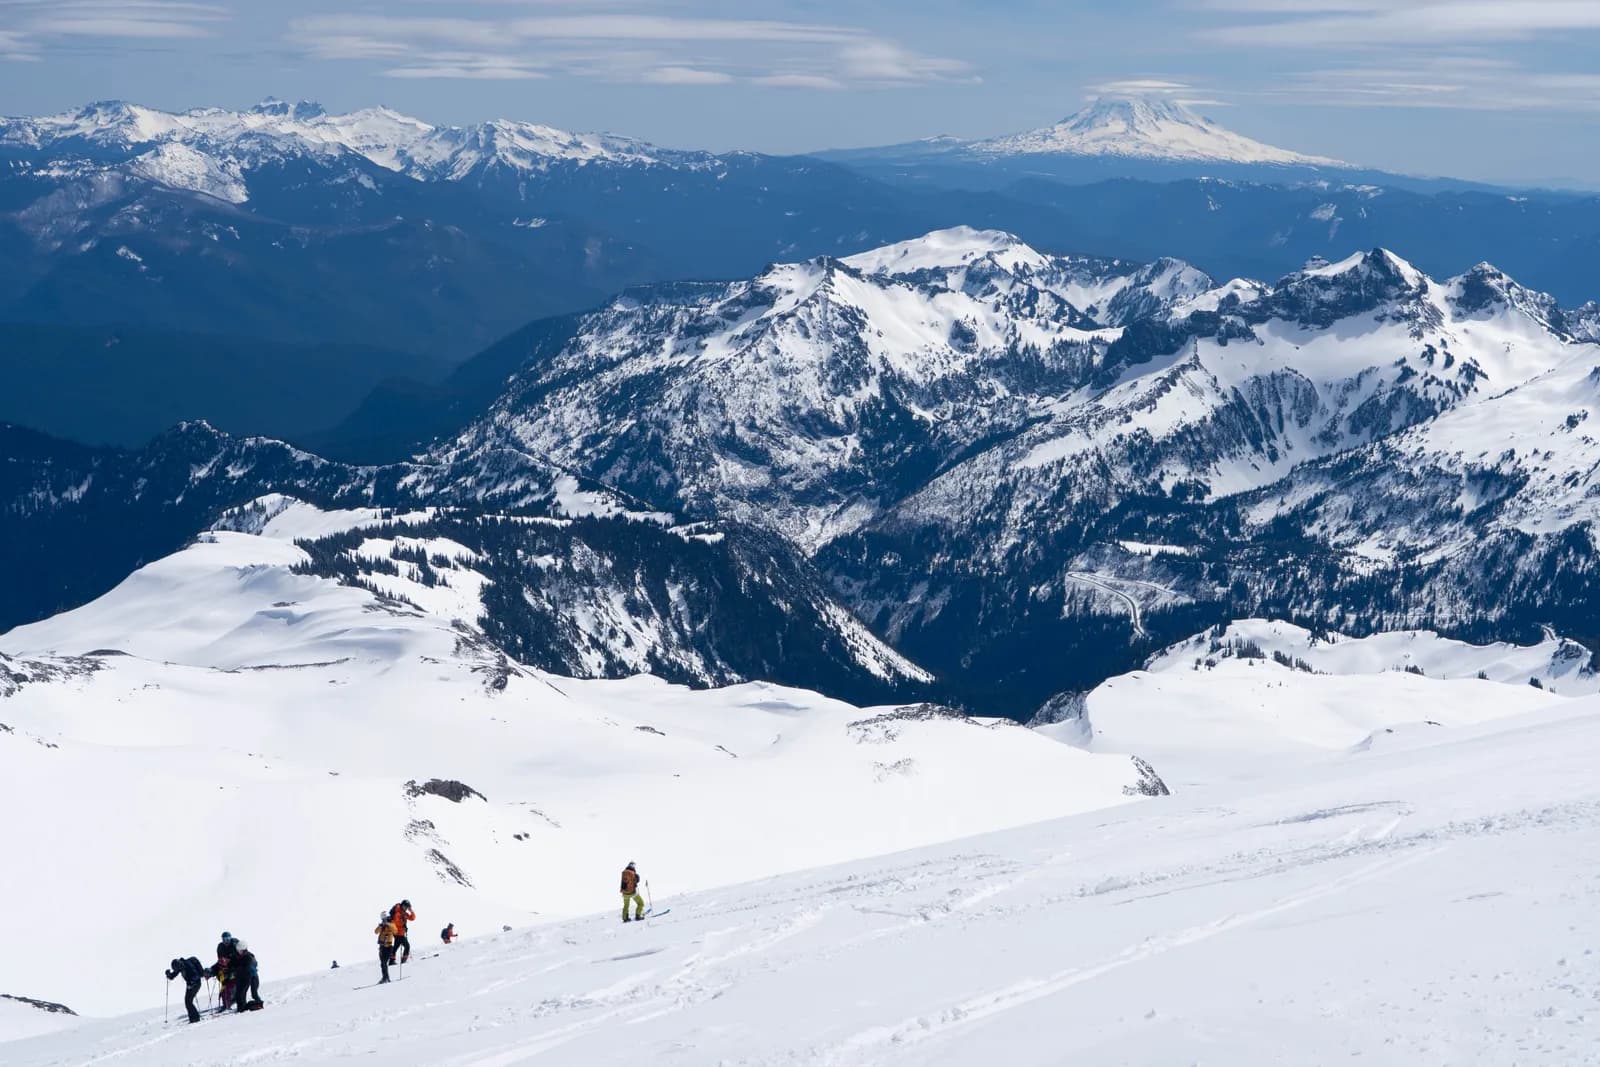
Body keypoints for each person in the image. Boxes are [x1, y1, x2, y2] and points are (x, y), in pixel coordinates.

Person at [165, 955, 207, 1023]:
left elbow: (196, 975)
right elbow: (173, 975)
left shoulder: (188, 965)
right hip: (191, 984)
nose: (179, 969)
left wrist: (192, 983)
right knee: (188, 1001)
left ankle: (195, 1018)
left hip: (196, 984)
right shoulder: (180, 965)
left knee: (188, 1001)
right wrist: (169, 975)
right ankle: (194, 1018)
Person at [232, 941, 263, 1011]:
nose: (239, 952)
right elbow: (235, 965)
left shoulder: (249, 957)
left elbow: (246, 968)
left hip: (252, 977)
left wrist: (236, 970)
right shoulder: (238, 956)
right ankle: (241, 1008)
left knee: (253, 994)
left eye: (240, 950)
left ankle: (258, 1004)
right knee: (240, 994)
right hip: (244, 977)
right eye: (238, 950)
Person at [375, 911, 398, 984]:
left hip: (388, 947)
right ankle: (386, 977)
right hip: (382, 947)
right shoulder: (382, 926)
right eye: (383, 919)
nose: (384, 920)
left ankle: (385, 978)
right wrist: (380, 926)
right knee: (382, 963)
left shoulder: (391, 924)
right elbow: (376, 932)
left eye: (385, 919)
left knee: (384, 962)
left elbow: (395, 931)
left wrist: (388, 924)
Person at [389, 900, 415, 964]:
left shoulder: (403, 913)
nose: (406, 908)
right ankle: (403, 961)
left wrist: (411, 911)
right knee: (407, 946)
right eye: (406, 907)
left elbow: (412, 918)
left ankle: (392, 961)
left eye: (407, 907)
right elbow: (396, 922)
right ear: (402, 905)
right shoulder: (398, 912)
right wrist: (403, 925)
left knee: (396, 946)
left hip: (400, 933)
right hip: (398, 933)